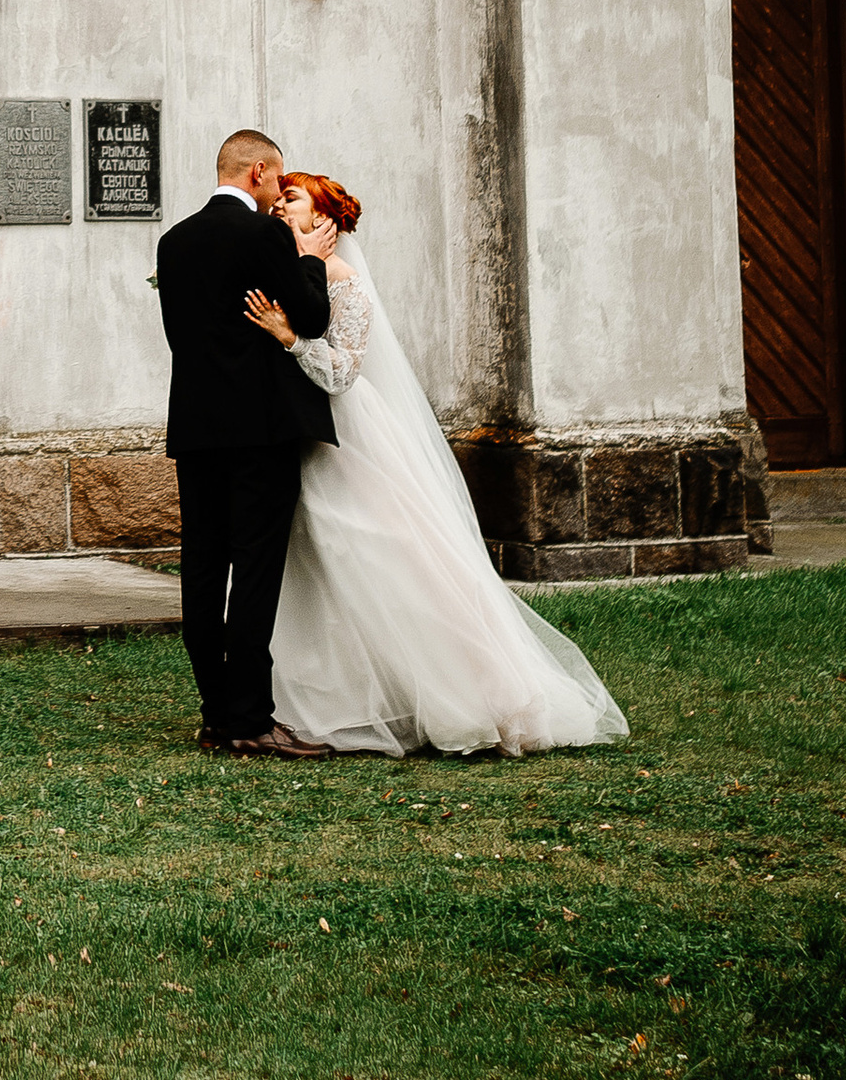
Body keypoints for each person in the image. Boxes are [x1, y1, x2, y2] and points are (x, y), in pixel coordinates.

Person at [242, 174, 629, 757]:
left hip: (349, 439)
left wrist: (289, 337)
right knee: (325, 566)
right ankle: (343, 699)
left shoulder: (344, 282)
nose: (277, 206)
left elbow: (341, 374)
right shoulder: (299, 271)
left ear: (326, 219)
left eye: (290, 199)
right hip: (309, 436)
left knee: (382, 555)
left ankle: (472, 692)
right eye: (277, 199)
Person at [154, 127, 337, 760]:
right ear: (257, 171)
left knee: (203, 570)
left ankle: (215, 715)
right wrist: (309, 257)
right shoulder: (265, 235)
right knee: (255, 573)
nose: (280, 192)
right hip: (259, 432)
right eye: (278, 179)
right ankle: (253, 720)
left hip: (198, 431)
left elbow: (184, 337)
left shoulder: (172, 242)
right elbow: (311, 317)